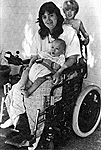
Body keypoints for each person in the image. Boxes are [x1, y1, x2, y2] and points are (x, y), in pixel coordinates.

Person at [1, 1, 82, 148]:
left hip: (51, 73)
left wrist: (59, 71)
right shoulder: (40, 34)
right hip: (36, 69)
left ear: (57, 15)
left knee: (35, 97)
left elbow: (72, 58)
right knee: (17, 89)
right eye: (44, 17)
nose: (48, 20)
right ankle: (18, 120)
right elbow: (34, 55)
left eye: (51, 15)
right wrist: (30, 64)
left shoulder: (68, 32)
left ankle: (33, 135)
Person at [0, 38, 66, 129]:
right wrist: (32, 63)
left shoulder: (60, 58)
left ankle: (29, 92)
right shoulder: (45, 54)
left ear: (62, 51)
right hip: (33, 71)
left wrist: (51, 63)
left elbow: (57, 67)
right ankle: (14, 115)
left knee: (40, 79)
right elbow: (35, 57)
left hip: (43, 74)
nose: (53, 50)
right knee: (25, 73)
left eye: (57, 49)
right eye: (52, 47)